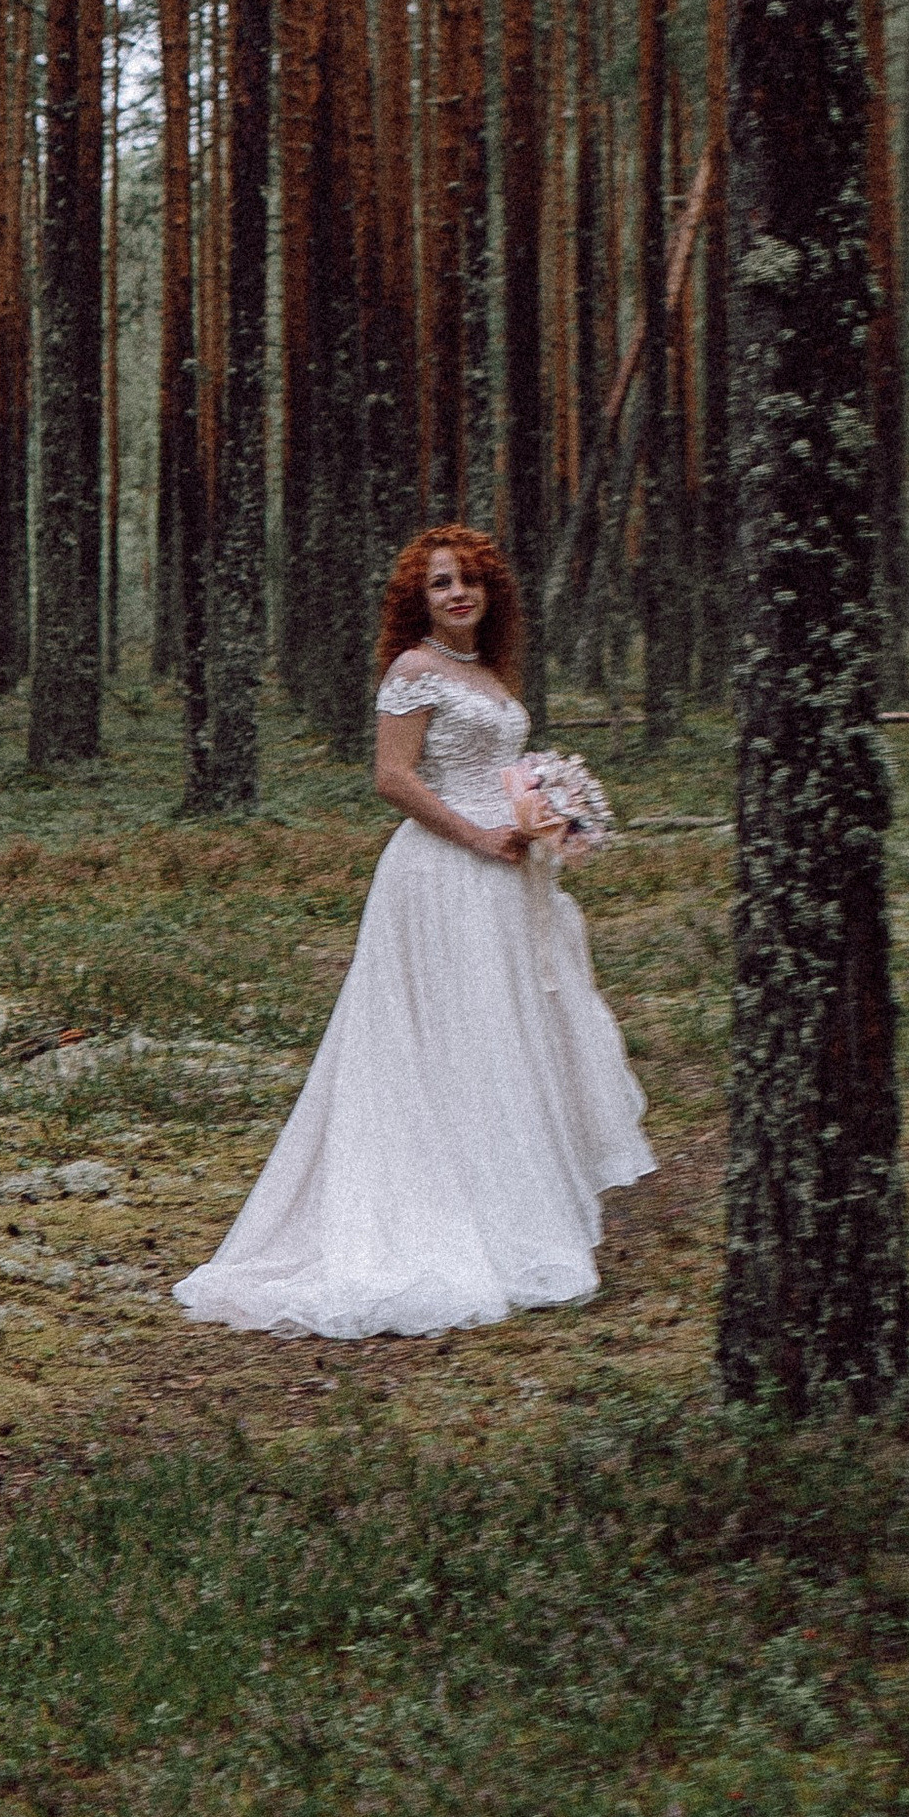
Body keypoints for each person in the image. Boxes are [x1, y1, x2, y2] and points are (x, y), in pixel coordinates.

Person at [173, 522, 653, 1339]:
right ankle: (430, 1213)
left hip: (504, 871)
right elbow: (392, 777)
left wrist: (543, 813)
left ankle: (506, 1205)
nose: (458, 593)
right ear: (418, 599)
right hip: (442, 871)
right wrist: (477, 836)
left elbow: (496, 768)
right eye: (440, 582)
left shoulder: (488, 673)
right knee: (443, 1032)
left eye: (470, 579)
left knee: (496, 1032)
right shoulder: (413, 671)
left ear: (490, 592)